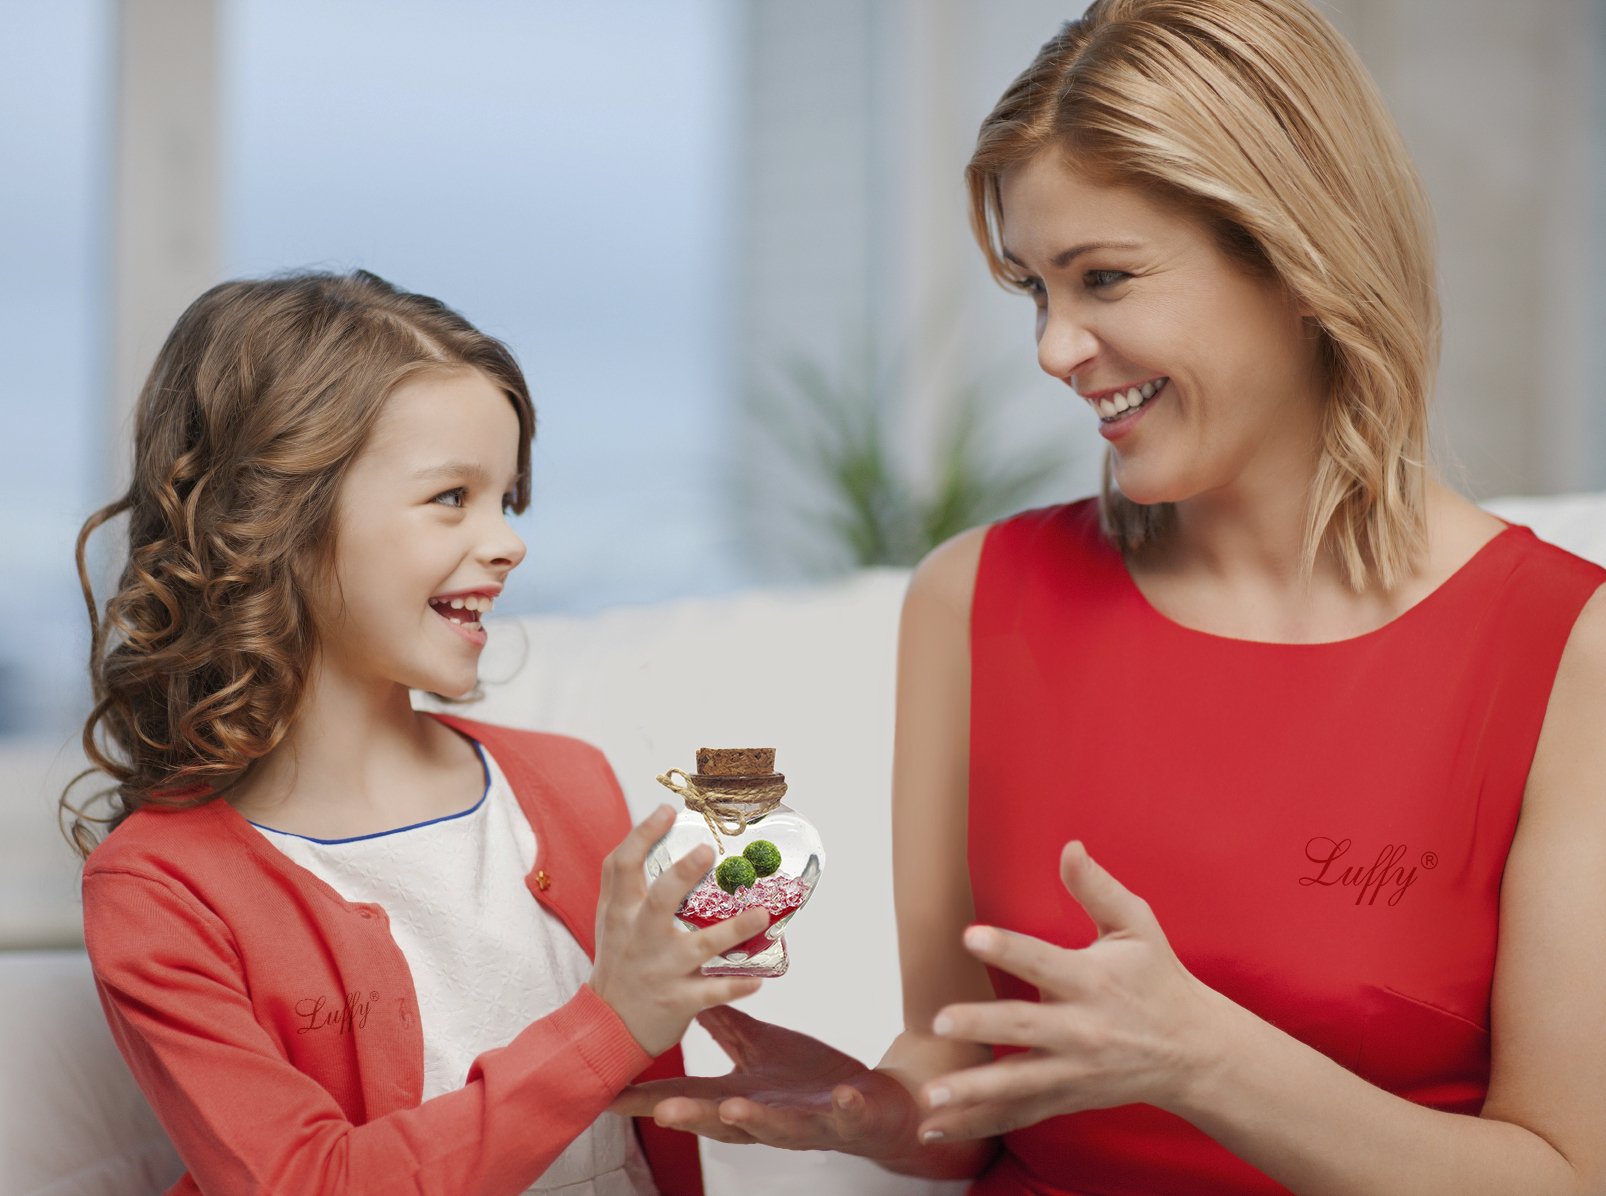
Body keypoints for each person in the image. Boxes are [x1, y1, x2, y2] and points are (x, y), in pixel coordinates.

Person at [612, 1, 1606, 1192]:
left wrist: (1204, 1059)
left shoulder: (1562, 648)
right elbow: (962, 1064)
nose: (1054, 347)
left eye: (1104, 278)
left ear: (1297, 259)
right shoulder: (973, 599)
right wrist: (881, 1110)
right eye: (1035, 288)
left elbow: (1562, 1170)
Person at [65, 270, 773, 1195]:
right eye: (452, 496)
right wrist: (615, 1020)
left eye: (505, 501)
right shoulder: (157, 890)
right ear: (276, 516)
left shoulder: (571, 784)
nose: (509, 541)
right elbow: (308, 1181)